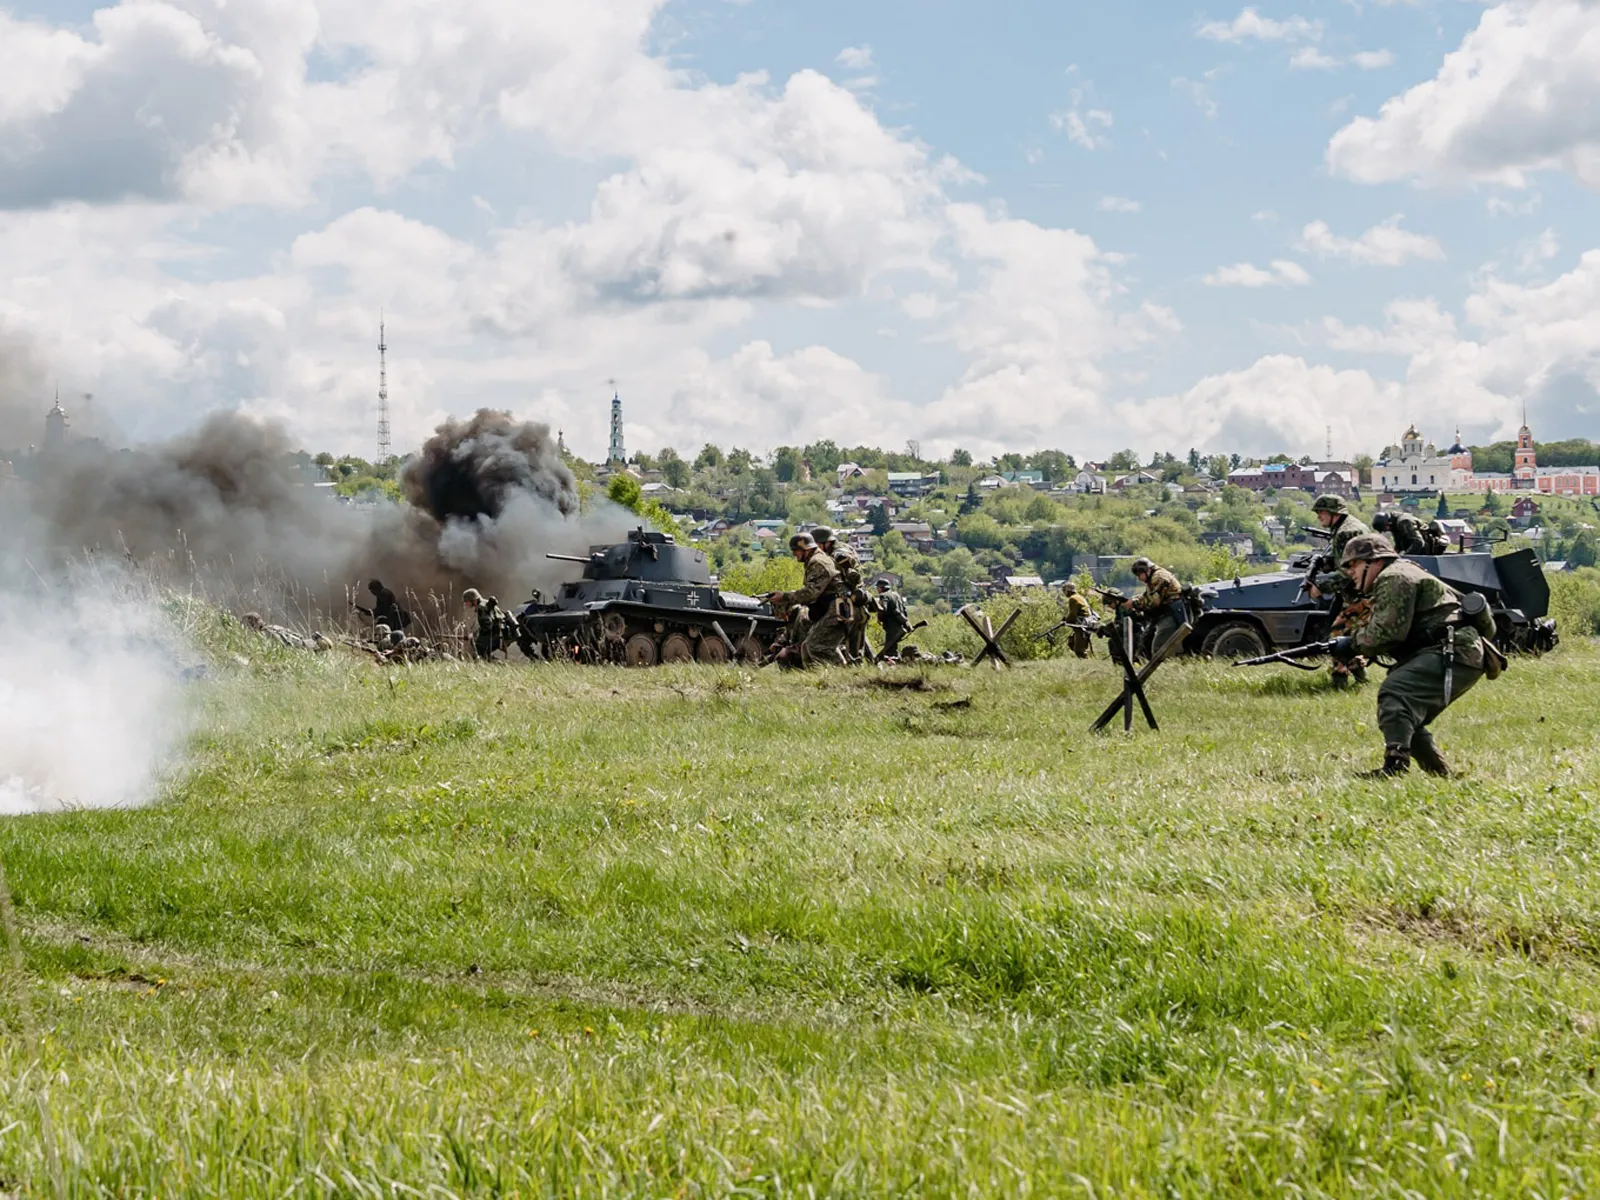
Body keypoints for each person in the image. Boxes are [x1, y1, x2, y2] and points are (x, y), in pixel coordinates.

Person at [1335, 533, 1487, 777]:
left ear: (1374, 561)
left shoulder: (1394, 577)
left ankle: (1395, 768)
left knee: (1396, 693)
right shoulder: (1402, 572)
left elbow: (1385, 633)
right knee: (1406, 715)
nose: (1349, 572)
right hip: (1458, 651)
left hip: (1453, 650)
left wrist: (1351, 643)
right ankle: (1441, 775)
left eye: (1353, 565)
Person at [1307, 494, 1373, 688]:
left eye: (1321, 512)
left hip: (1358, 594)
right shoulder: (1353, 526)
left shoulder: (1345, 532)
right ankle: (1360, 678)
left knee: (1337, 637)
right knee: (1347, 637)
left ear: (1334, 513)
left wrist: (1320, 587)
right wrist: (1328, 564)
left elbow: (1348, 573)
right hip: (1362, 592)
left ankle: (1339, 682)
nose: (1318, 516)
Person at [769, 532, 847, 668]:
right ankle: (817, 675)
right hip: (831, 607)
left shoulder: (818, 562)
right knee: (807, 646)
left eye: (795, 550)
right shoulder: (816, 560)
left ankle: (841, 673)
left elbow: (810, 593)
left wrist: (784, 596)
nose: (794, 554)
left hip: (836, 608)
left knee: (816, 646)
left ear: (806, 549)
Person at [814, 526, 872, 661]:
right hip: (850, 603)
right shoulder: (841, 548)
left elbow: (850, 571)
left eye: (817, 544)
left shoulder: (838, 554)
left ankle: (860, 668)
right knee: (857, 642)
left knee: (853, 648)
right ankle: (870, 664)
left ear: (826, 542)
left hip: (851, 604)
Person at [1118, 557, 1185, 657]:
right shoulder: (1155, 576)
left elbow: (1154, 601)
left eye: (1139, 575)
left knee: (1159, 647)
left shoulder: (1158, 577)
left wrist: (1134, 603)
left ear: (1147, 570)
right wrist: (1134, 599)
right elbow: (1149, 595)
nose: (1139, 578)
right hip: (1167, 614)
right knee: (1156, 644)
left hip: (1171, 614)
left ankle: (1172, 663)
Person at [462, 588, 514, 660]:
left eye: (467, 601)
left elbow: (487, 626)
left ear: (473, 600)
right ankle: (496, 663)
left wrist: (474, 635)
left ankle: (498, 664)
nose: (466, 604)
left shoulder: (481, 607)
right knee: (483, 652)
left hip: (497, 634)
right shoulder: (484, 603)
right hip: (501, 633)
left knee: (478, 649)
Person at [241, 611, 328, 652]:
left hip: (300, 647)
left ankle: (318, 644)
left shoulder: (265, 633)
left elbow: (283, 646)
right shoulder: (273, 626)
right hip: (302, 643)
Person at [873, 578, 911, 657]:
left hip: (891, 625)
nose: (877, 589)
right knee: (893, 645)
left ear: (881, 587)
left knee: (890, 649)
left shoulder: (884, 596)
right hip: (901, 623)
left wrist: (879, 619)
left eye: (878, 587)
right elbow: (904, 609)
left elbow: (883, 609)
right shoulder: (896, 594)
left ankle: (892, 661)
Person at [1062, 581, 1094, 659]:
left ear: (1068, 591)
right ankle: (1088, 658)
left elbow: (1073, 614)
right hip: (1087, 623)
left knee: (1079, 650)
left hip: (1082, 625)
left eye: (1064, 590)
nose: (1064, 593)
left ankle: (1086, 662)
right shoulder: (1080, 597)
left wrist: (1066, 621)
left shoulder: (1073, 598)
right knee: (1073, 643)